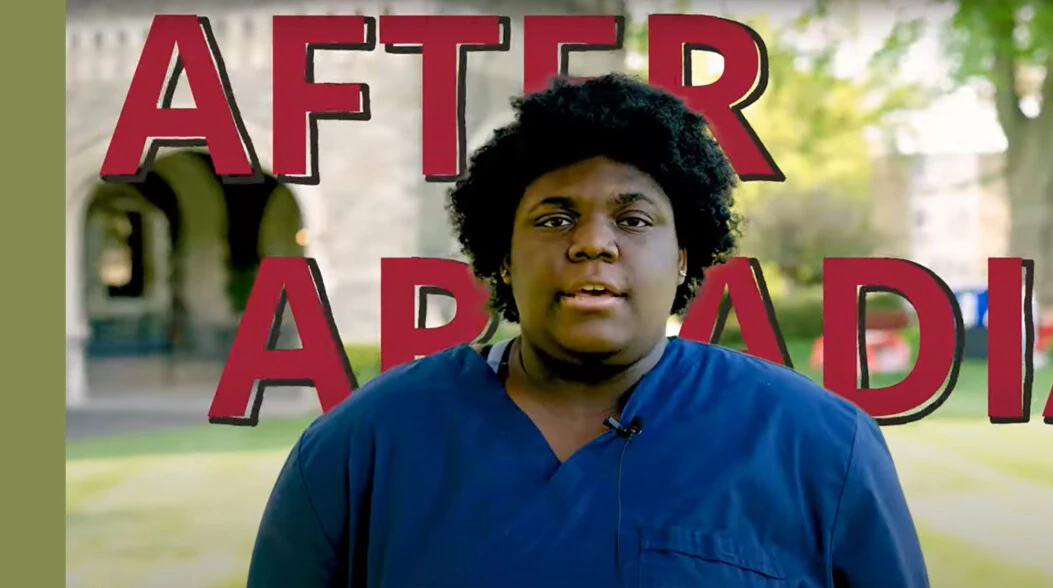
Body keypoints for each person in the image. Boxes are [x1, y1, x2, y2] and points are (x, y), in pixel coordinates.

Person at [247, 73, 929, 588]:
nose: (592, 244)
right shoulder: (359, 449)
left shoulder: (821, 447)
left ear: (685, 255)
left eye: (633, 220)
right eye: (553, 218)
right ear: (503, 257)